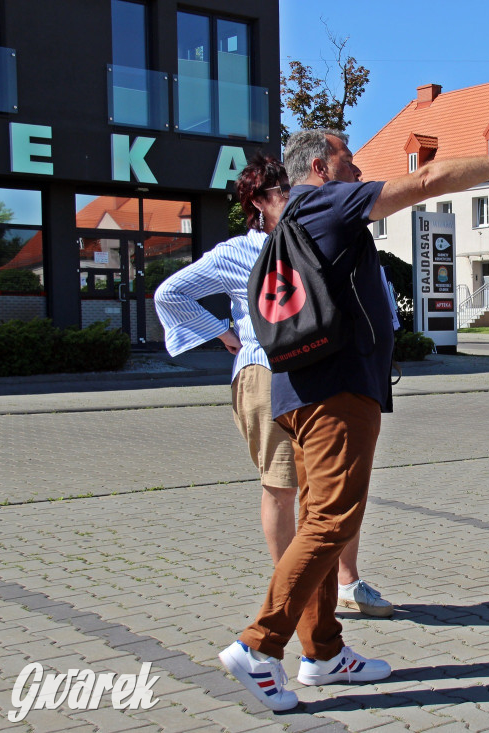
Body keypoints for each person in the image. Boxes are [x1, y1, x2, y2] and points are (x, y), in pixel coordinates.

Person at [218, 129, 489, 711]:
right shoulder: (326, 200)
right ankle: (258, 646)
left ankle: (323, 652)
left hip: (301, 390)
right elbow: (427, 179)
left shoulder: (292, 216)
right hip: (337, 391)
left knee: (318, 523)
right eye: (349, 161)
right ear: (320, 167)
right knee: (332, 521)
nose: (359, 172)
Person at [154, 156, 393, 618]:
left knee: (336, 487)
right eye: (280, 190)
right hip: (265, 372)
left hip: (324, 372)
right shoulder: (235, 252)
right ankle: (294, 595)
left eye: (291, 186)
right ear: (258, 202)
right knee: (282, 486)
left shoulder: (316, 232)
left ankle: (346, 580)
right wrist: (223, 332)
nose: (291, 195)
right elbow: (170, 293)